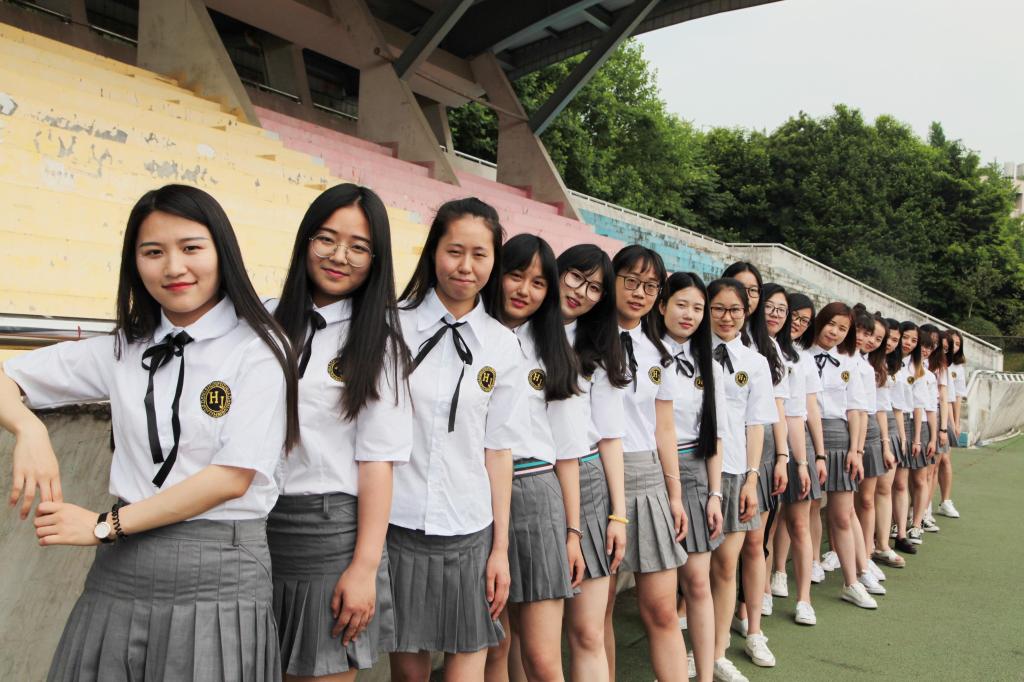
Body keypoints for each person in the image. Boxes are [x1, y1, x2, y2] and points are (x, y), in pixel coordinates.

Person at [2, 184, 299, 681]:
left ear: (222, 252)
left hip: (220, 567)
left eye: (191, 248)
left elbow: (231, 478)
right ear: (135, 263)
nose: (174, 267)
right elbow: (7, 377)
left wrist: (103, 526)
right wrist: (28, 428)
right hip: (122, 568)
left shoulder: (260, 348)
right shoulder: (124, 348)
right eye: (153, 252)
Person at [268, 183, 411, 681]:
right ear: (306, 240)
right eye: (326, 239)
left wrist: (364, 568)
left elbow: (378, 463)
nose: (339, 256)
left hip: (327, 535)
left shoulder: (379, 346)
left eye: (358, 247)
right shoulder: (263, 322)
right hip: (250, 529)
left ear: (376, 259)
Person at [387, 198, 530, 682]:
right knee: (409, 674)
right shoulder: (391, 324)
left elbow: (498, 451)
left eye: (479, 254)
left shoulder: (503, 344)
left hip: (470, 528)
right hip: (398, 523)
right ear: (434, 252)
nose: (466, 266)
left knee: (467, 664)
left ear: (494, 261)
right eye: (454, 251)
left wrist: (499, 549)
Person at [485, 234, 587, 682]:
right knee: (492, 647)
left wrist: (573, 533)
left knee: (542, 659)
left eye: (539, 283)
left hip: (535, 495)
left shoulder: (554, 353)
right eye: (515, 275)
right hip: (474, 494)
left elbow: (568, 455)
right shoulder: (470, 338)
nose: (524, 290)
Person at [603, 245, 689, 682]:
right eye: (631, 281)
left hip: (649, 479)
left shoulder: (659, 352)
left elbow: (664, 428)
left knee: (661, 609)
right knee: (597, 615)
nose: (639, 292)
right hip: (597, 478)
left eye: (650, 286)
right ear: (612, 279)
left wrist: (674, 495)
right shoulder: (581, 340)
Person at [556, 244, 629, 682]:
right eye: (575, 277)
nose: (581, 292)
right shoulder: (515, 334)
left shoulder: (599, 349)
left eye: (594, 288)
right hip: (525, 478)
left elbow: (609, 436)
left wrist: (618, 514)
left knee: (587, 630)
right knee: (519, 634)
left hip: (586, 481)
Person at [705, 278, 776, 682]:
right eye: (718, 308)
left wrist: (752, 479)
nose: (726, 317)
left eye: (734, 310)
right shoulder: (687, 352)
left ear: (746, 312)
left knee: (724, 566)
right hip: (692, 471)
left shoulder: (755, 362)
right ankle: (690, 649)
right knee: (689, 573)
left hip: (734, 471)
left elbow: (755, 424)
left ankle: (716, 653)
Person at [658, 272, 727, 681]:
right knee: (661, 593)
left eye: (698, 308)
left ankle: (703, 673)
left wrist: (715, 493)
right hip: (652, 473)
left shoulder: (708, 363)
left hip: (696, 471)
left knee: (698, 583)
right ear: (662, 305)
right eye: (681, 304)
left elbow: (713, 434)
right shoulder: (642, 353)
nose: (689, 314)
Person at [807, 302, 878, 609]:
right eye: (831, 324)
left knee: (842, 513)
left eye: (842, 329)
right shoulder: (799, 355)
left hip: (839, 437)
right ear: (820, 321)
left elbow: (857, 410)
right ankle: (810, 563)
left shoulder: (849, 362)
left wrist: (856, 450)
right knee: (806, 508)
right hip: (805, 435)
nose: (834, 332)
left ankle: (853, 580)